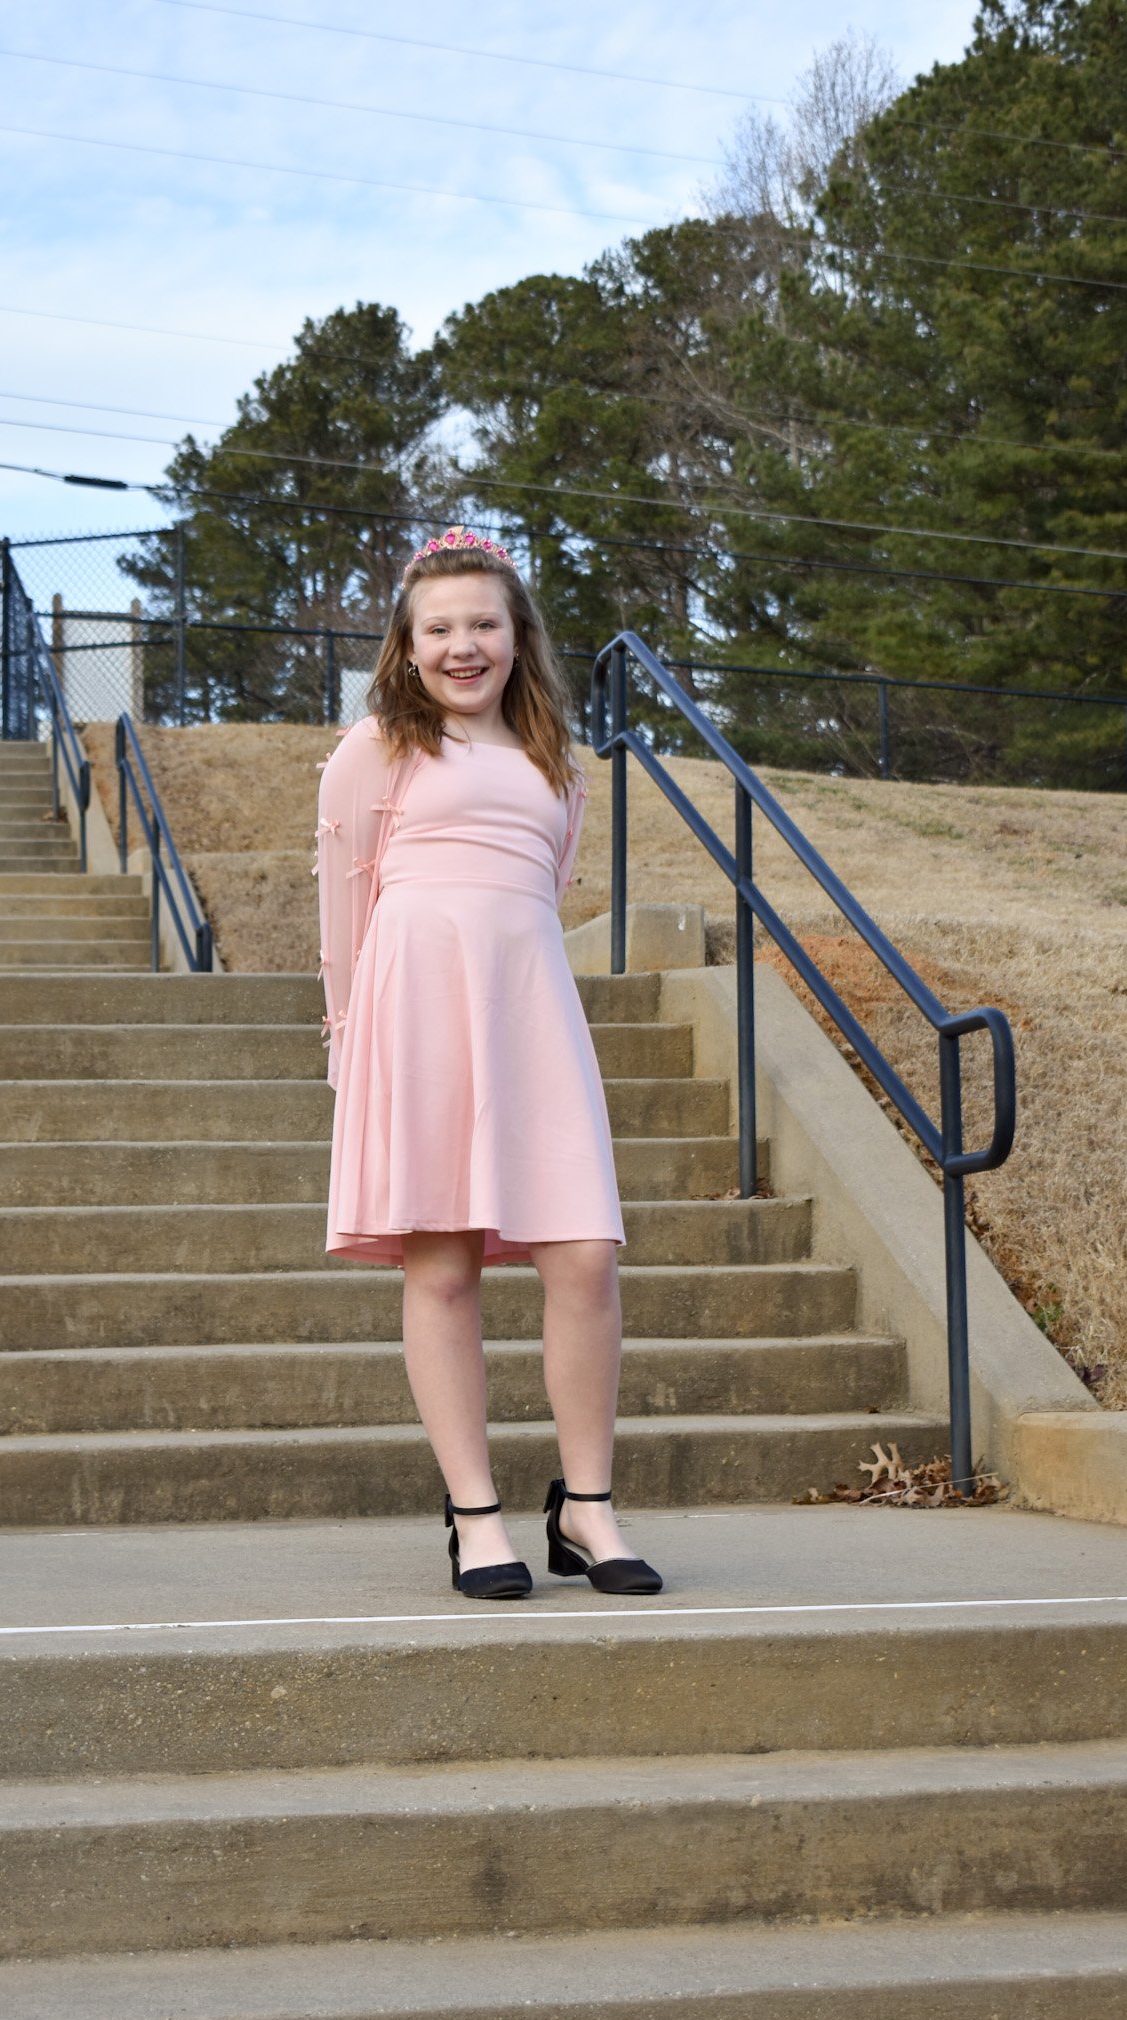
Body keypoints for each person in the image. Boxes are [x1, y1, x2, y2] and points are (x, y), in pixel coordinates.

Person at [315, 528, 661, 1601]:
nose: (463, 645)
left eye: (483, 624)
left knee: (586, 1256)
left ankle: (587, 1506)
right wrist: (347, 1046)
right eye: (440, 628)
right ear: (407, 645)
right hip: (413, 1011)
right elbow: (345, 909)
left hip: (527, 1009)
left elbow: (540, 897)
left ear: (517, 635)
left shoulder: (559, 760)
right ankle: (475, 1514)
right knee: (444, 1265)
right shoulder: (374, 746)